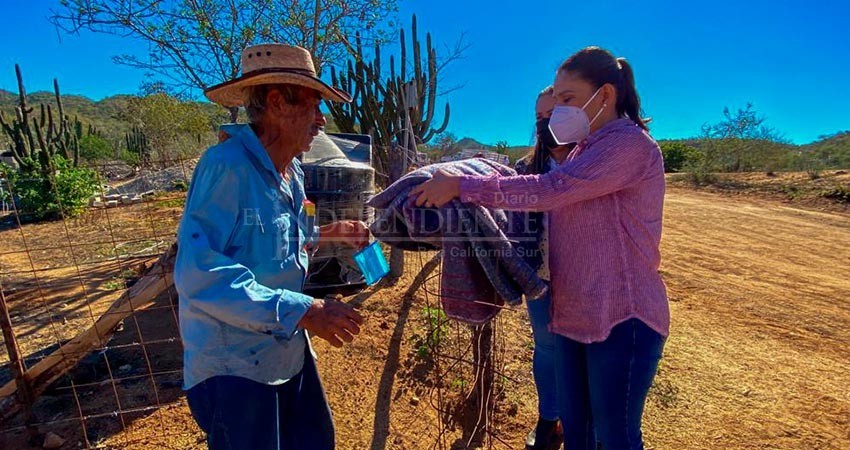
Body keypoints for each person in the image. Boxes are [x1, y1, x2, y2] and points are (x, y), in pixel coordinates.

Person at [411, 46, 669, 450]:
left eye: (568, 99)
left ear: (604, 95)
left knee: (615, 436)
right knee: (579, 431)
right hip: (573, 314)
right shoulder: (586, 149)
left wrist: (464, 186)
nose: (559, 111)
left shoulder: (629, 146)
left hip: (622, 316)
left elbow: (552, 189)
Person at [174, 43, 369, 450]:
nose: (322, 118)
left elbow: (293, 231)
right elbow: (199, 274)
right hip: (235, 367)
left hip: (286, 350)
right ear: (278, 102)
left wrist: (334, 233)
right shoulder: (225, 166)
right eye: (315, 104)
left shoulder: (292, 171)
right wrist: (305, 309)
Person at [515, 85, 571, 450]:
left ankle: (584, 425)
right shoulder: (525, 167)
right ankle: (549, 420)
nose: (544, 125)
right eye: (539, 117)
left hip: (587, 278)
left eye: (553, 116)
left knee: (587, 352)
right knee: (547, 350)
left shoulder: (594, 163)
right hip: (542, 279)